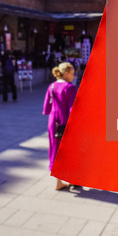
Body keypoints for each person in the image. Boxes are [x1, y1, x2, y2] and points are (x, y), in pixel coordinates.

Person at [43, 62, 77, 190]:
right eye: (72, 74)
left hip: (53, 122)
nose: (74, 77)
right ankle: (72, 178)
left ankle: (58, 181)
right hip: (65, 122)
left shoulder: (51, 86)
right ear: (66, 73)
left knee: (55, 149)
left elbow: (46, 107)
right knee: (70, 151)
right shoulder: (70, 88)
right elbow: (72, 109)